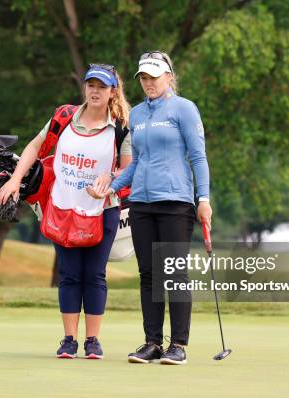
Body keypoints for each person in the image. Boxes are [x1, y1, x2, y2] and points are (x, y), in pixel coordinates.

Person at [0, 64, 132, 359]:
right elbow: (34, 147)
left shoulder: (121, 127)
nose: (95, 91)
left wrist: (109, 181)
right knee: (69, 274)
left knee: (95, 275)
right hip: (62, 206)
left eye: (102, 86)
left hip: (102, 209)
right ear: (85, 87)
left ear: (113, 92)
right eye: (91, 85)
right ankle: (69, 339)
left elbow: (126, 169)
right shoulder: (64, 117)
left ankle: (93, 341)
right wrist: (15, 180)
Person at [88, 51, 212, 365]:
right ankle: (152, 342)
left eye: (153, 77)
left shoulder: (184, 109)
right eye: (143, 78)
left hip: (175, 201)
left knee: (173, 273)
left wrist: (204, 199)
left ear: (169, 76)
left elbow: (198, 158)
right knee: (149, 275)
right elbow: (137, 163)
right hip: (141, 203)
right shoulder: (138, 115)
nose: (148, 83)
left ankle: (178, 345)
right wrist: (110, 188)